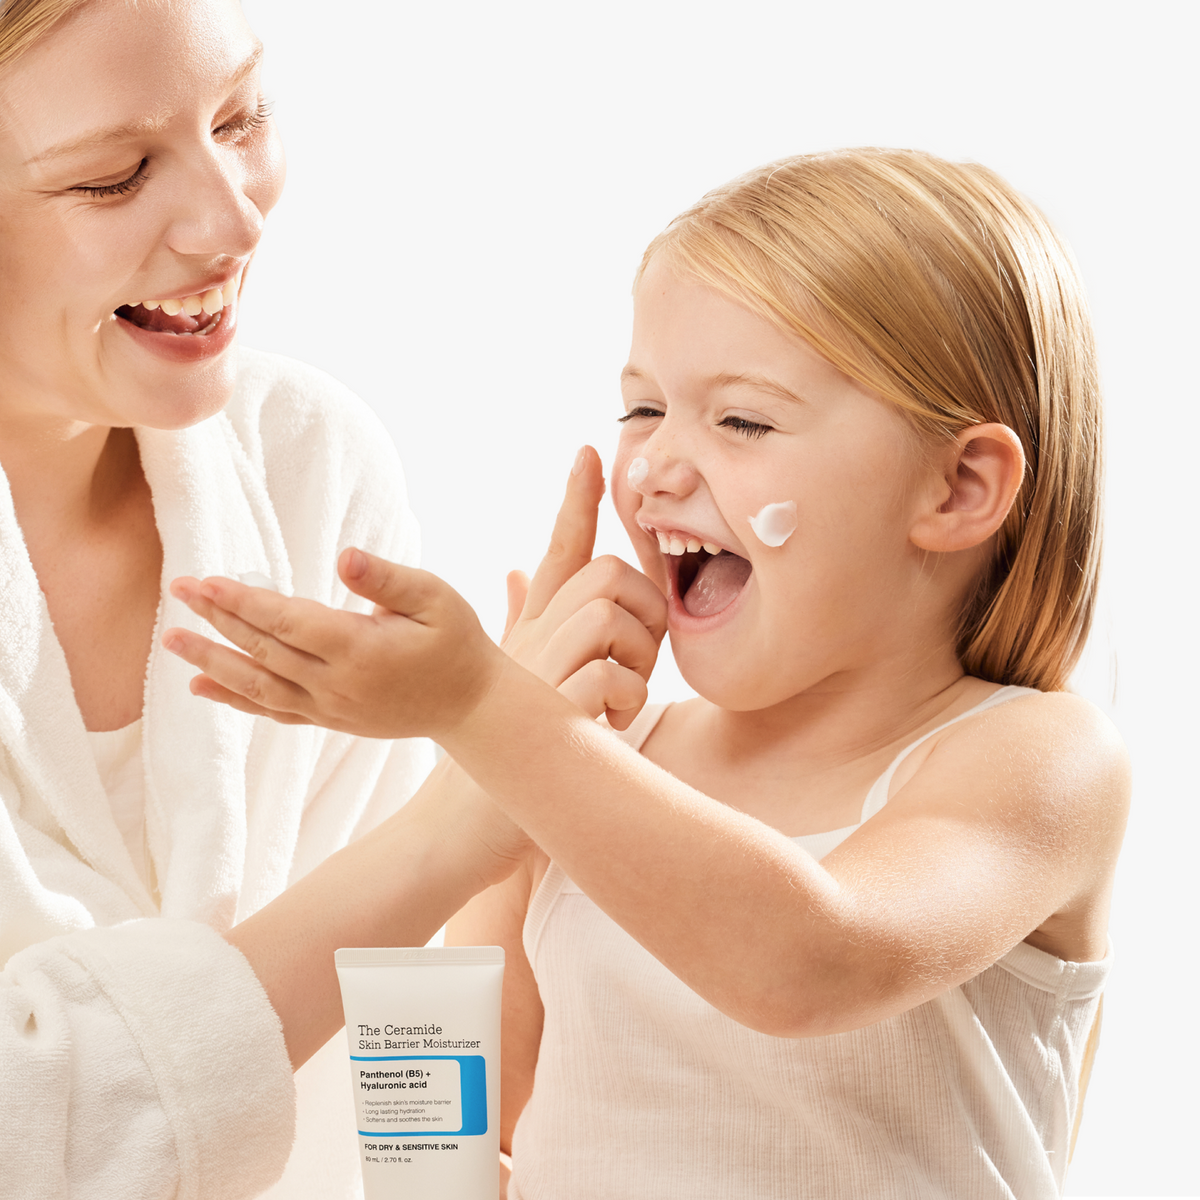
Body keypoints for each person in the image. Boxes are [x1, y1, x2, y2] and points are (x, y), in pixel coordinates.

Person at [167, 149, 1131, 1200]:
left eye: (743, 420)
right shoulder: (603, 758)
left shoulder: (1034, 758)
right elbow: (474, 1118)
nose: (656, 467)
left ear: (957, 488)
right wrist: (507, 757)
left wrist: (494, 714)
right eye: (641, 409)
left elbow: (806, 961)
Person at [0, 1, 633, 1196]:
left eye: (241, 116)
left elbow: (407, 1043)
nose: (234, 218)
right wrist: (466, 817)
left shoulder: (305, 467)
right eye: (115, 176)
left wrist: (534, 803)